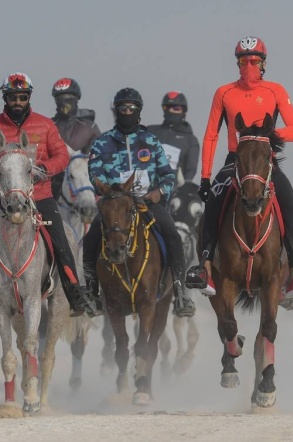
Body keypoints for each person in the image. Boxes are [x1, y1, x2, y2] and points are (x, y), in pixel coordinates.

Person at [0, 72, 94, 319]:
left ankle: (74, 293)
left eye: (23, 97)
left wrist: (46, 170)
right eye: (13, 97)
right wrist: (1, 171)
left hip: (40, 197)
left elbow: (61, 155)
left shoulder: (46, 125)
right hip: (3, 198)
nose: (18, 102)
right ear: (5, 98)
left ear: (29, 98)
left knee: (61, 240)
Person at [185, 36, 293, 296]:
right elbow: (211, 135)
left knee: (289, 202)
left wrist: (263, 135)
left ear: (263, 63)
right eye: (243, 61)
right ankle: (205, 267)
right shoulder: (224, 92)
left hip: (266, 161)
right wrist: (205, 177)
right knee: (214, 199)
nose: (249, 65)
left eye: (254, 60)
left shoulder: (275, 90)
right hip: (235, 161)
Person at [83, 87, 196, 318]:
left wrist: (159, 191)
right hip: (115, 206)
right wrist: (113, 192)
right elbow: (95, 174)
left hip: (148, 203)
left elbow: (168, 174)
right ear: (116, 111)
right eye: (122, 108)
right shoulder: (102, 143)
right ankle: (92, 294)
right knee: (92, 236)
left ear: (139, 111)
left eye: (131, 108)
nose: (127, 112)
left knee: (172, 234)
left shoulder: (151, 141)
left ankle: (180, 291)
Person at [50, 77, 101, 200]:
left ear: (76, 99)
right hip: (55, 185)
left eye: (68, 99)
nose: (64, 103)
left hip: (84, 183)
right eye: (60, 99)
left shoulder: (90, 127)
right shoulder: (49, 126)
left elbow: (99, 157)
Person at [146, 91, 200, 186]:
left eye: (176, 108)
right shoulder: (150, 131)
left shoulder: (190, 140)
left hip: (172, 192)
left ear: (183, 111)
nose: (171, 111)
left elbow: (190, 171)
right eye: (167, 107)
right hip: (145, 189)